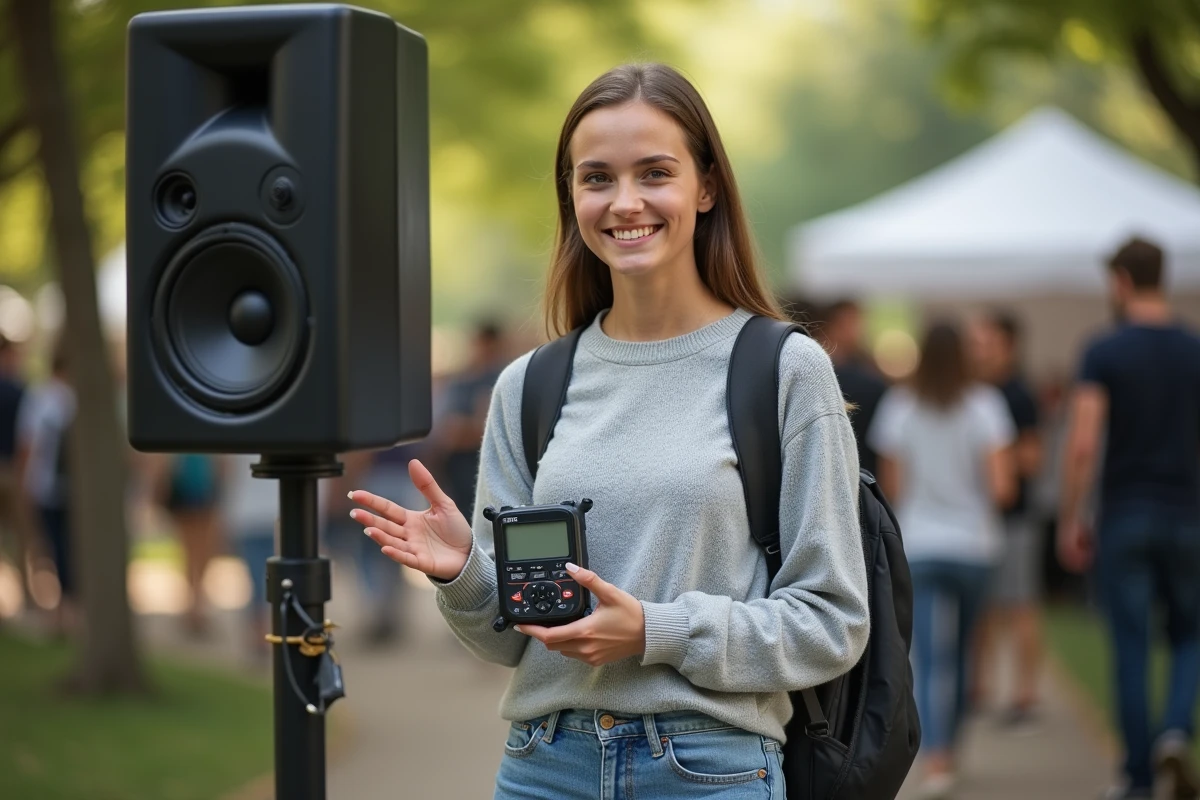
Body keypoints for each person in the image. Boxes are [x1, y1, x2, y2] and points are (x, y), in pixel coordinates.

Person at [348, 63, 869, 799]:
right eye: (597, 178)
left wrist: (657, 630)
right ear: (572, 196)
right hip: (542, 767)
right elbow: (510, 640)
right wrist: (463, 573)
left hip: (707, 770)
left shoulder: (784, 370)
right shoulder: (529, 386)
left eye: (655, 172)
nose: (625, 202)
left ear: (706, 187)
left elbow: (832, 622)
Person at [1059, 237, 1200, 800]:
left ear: (1120, 280)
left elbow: (1083, 444)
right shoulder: (1193, 349)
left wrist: (1072, 515)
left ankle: (1138, 778)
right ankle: (1176, 731)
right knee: (1190, 633)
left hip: (1126, 513)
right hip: (1188, 513)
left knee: (1132, 644)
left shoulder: (1104, 350)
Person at [868, 322, 1015, 799]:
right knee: (966, 651)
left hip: (922, 543)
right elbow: (1002, 487)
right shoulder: (986, 406)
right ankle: (951, 744)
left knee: (930, 658)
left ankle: (937, 756)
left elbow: (892, 486)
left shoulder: (900, 406)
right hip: (974, 546)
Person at [968, 311, 1045, 728]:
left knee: (1019, 606)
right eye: (975, 344)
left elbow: (1032, 458)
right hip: (978, 519)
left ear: (1009, 347)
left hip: (1014, 519)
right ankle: (978, 687)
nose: (978, 352)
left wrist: (990, 459)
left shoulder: (1018, 395)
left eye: (987, 344)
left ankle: (1025, 693)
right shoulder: (973, 393)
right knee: (980, 610)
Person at [15, 336, 78, 635]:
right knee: (68, 549)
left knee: (50, 549)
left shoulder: (40, 397)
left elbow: (28, 445)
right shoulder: (77, 399)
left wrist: (24, 483)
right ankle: (69, 611)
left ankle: (59, 612)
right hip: (71, 490)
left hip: (46, 487)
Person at [434, 320, 507, 522]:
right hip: (456, 472)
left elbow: (483, 429)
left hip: (483, 472)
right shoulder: (461, 380)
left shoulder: (501, 378)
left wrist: (464, 429)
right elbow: (445, 430)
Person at [812, 298, 888, 476]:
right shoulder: (816, 370)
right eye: (852, 323)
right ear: (833, 326)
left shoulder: (867, 373)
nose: (859, 331)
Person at [0, 335, 35, 609]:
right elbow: (27, 437)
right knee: (21, 536)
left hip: (12, 467)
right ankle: (26, 596)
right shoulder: (20, 390)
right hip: (13, 469)